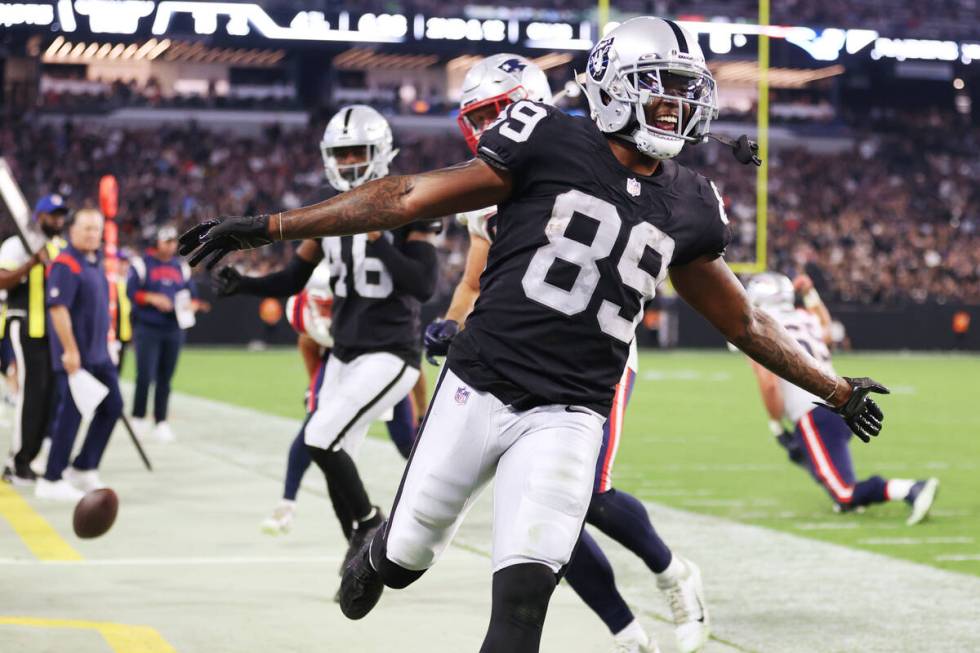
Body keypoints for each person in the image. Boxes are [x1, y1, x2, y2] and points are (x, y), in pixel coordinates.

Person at [180, 18, 888, 653]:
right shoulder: (545, 136)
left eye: (683, 93)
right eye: (658, 90)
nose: (675, 108)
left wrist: (834, 388)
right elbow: (404, 195)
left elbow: (742, 318)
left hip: (571, 413)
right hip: (479, 384)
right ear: (613, 87)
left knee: (523, 601)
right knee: (403, 561)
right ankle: (373, 552)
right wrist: (270, 226)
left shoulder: (693, 201)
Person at [426, 53, 703, 653]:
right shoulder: (491, 185)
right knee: (545, 522)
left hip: (595, 356)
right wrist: (450, 324)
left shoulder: (584, 150)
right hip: (519, 362)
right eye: (484, 115)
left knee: (590, 496)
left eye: (506, 109)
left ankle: (671, 571)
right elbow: (475, 281)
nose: (495, 125)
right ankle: (627, 632)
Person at [211, 105, 438, 564]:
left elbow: (424, 284)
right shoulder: (330, 206)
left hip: (391, 350)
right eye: (341, 152)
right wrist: (247, 286)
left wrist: (378, 235)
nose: (350, 161)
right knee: (332, 455)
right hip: (344, 351)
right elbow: (295, 276)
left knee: (320, 437)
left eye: (358, 151)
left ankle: (372, 525)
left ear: (380, 152)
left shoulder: (409, 201)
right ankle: (358, 556)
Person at [745, 272, 937, 525]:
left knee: (844, 493)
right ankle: (844, 493)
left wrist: (777, 426)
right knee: (810, 456)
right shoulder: (805, 317)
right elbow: (828, 331)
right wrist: (811, 295)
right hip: (840, 402)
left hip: (814, 412)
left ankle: (910, 489)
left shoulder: (763, 327)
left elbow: (769, 384)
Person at [257, 264, 422, 536]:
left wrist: (421, 404)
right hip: (338, 362)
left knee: (406, 439)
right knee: (314, 430)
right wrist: (317, 390)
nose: (323, 311)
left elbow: (410, 360)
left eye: (329, 303)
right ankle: (289, 504)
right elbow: (308, 342)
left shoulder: (373, 305)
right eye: (318, 303)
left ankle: (431, 499)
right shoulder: (300, 308)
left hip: (379, 363)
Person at [38, 208, 123, 501]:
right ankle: (51, 478)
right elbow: (58, 309)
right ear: (71, 230)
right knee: (70, 416)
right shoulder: (66, 264)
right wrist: (71, 350)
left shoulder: (95, 262)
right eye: (86, 228)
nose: (92, 234)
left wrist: (109, 343)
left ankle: (84, 466)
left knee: (113, 406)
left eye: (96, 229)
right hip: (77, 356)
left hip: (100, 354)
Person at [0, 194, 67, 485]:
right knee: (32, 394)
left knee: (49, 395)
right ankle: (16, 462)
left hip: (52, 332)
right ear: (37, 217)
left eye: (61, 215)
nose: (58, 220)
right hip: (26, 324)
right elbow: (2, 280)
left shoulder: (61, 247)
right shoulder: (16, 245)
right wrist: (31, 264)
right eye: (53, 215)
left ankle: (30, 457)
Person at [127, 225, 206, 442]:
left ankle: (161, 421)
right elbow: (131, 293)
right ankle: (138, 416)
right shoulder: (142, 264)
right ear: (157, 242)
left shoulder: (181, 268)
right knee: (144, 375)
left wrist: (192, 305)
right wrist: (153, 298)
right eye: (167, 241)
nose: (172, 246)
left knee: (166, 378)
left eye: (174, 242)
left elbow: (193, 296)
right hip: (147, 327)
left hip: (173, 328)